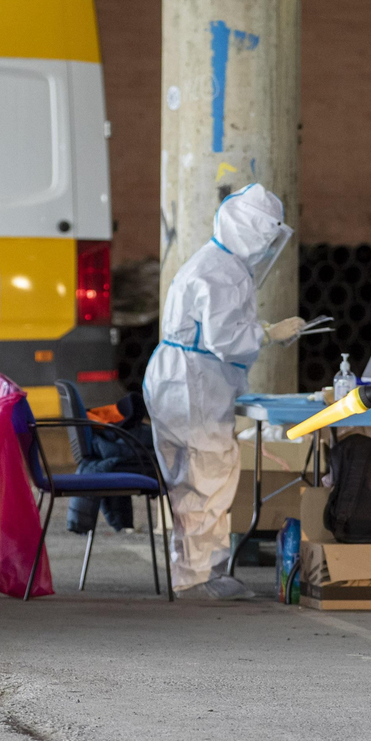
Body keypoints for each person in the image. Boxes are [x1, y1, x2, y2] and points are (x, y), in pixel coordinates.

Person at [144, 183, 307, 599]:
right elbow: (224, 340)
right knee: (206, 476)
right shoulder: (223, 272)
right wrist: (267, 333)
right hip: (194, 381)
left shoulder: (217, 262)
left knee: (194, 476)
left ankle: (199, 571)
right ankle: (197, 577)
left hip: (182, 378)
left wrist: (261, 333)